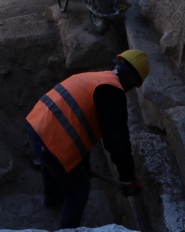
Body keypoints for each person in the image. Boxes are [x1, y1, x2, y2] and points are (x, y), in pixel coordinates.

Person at [24, 50, 149, 228]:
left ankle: (52, 199)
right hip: (52, 139)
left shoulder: (97, 78)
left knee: (50, 163)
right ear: (132, 81)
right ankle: (68, 229)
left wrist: (84, 165)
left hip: (37, 123)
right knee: (78, 190)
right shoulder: (112, 93)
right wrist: (127, 177)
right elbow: (117, 142)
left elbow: (78, 122)